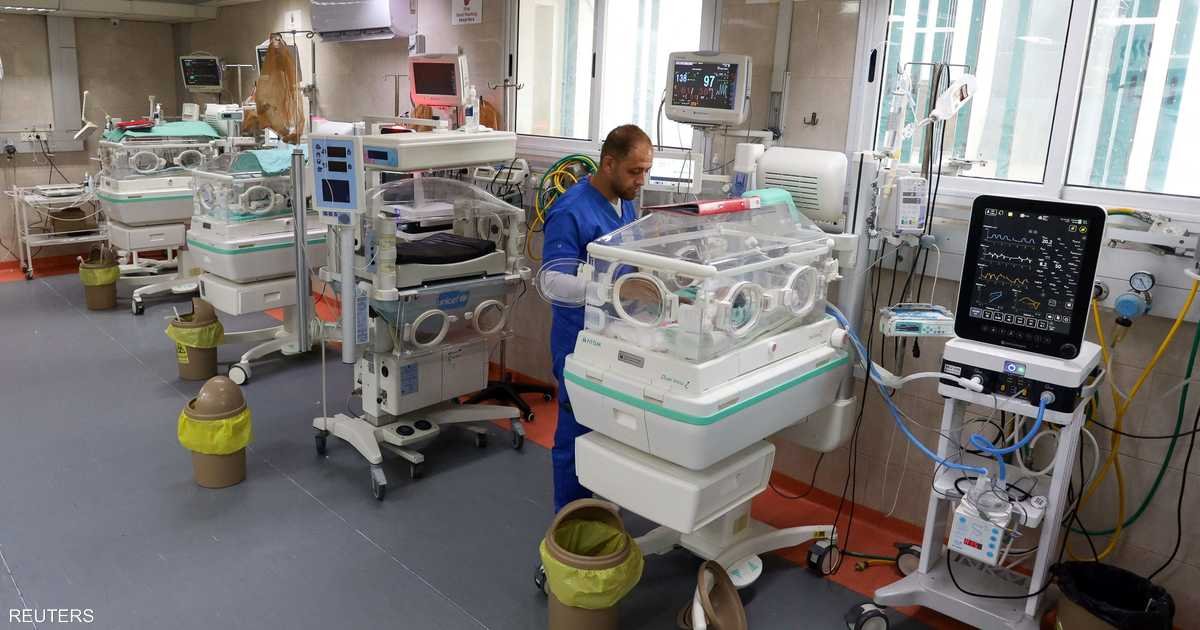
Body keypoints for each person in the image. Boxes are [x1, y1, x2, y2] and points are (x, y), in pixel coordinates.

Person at [542, 124, 654, 511]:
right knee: (576, 435)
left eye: (646, 171)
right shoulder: (571, 211)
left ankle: (601, 506)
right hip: (579, 342)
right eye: (635, 171)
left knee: (610, 431)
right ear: (608, 164)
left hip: (616, 337)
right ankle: (570, 520)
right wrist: (616, 292)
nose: (642, 180)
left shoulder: (624, 204)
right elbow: (553, 282)